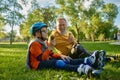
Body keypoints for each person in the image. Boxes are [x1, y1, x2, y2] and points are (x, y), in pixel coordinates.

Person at [26, 22, 105, 76]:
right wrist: (50, 47)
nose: (46, 32)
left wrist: (61, 55)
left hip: (44, 61)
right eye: (44, 31)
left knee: (66, 59)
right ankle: (81, 68)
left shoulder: (44, 42)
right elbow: (41, 59)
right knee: (59, 63)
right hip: (37, 65)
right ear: (37, 33)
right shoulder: (34, 44)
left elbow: (51, 54)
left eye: (46, 31)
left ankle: (89, 61)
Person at [48, 17, 120, 62]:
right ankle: (102, 58)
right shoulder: (53, 36)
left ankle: (113, 57)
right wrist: (51, 45)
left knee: (92, 52)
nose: (62, 27)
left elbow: (75, 44)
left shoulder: (69, 33)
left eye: (63, 24)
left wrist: (72, 41)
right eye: (60, 25)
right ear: (56, 26)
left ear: (66, 25)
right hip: (67, 55)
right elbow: (48, 50)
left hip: (76, 51)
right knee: (79, 47)